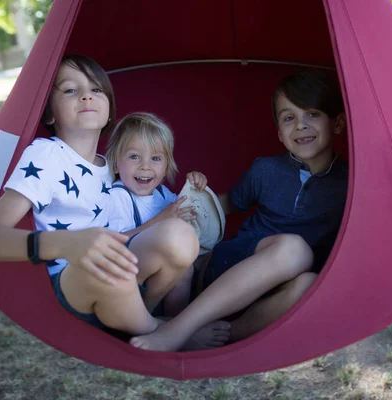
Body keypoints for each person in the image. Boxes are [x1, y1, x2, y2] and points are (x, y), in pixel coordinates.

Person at [0, 55, 209, 339]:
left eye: (96, 90)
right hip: (77, 281)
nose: (86, 96)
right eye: (71, 90)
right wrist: (69, 243)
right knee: (103, 265)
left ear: (109, 110)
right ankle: (170, 332)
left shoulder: (111, 166)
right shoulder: (47, 154)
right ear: (49, 114)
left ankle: (146, 318)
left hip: (124, 275)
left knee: (180, 235)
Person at [130, 69, 348, 351]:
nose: (300, 125)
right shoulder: (266, 170)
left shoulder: (350, 183)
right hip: (228, 266)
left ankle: (220, 335)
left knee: (309, 284)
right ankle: (178, 328)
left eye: (313, 114)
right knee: (295, 249)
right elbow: (225, 205)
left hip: (273, 294)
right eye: (289, 118)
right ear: (280, 134)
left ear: (339, 123)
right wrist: (191, 202)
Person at [105, 112, 209, 317]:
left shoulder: (163, 194)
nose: (146, 166)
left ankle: (186, 318)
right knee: (184, 267)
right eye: (134, 156)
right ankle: (163, 322)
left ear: (166, 166)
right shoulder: (117, 197)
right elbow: (111, 243)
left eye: (156, 158)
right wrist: (159, 220)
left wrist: (194, 190)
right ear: (116, 164)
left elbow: (187, 219)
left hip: (163, 278)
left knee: (203, 258)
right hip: (132, 281)